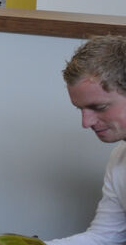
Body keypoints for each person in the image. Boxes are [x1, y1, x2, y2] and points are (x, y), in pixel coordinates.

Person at [45, 36, 126, 245]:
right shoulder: (120, 159)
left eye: (99, 107)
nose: (86, 122)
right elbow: (104, 237)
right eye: (80, 109)